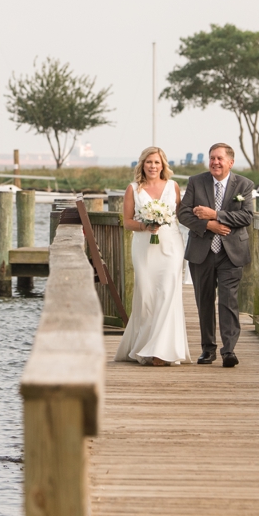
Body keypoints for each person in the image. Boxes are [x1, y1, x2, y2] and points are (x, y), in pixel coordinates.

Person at [176, 142, 255, 367]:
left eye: (220, 158)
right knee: (205, 301)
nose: (215, 162)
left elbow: (247, 216)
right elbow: (183, 214)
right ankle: (207, 349)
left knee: (228, 301)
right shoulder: (196, 182)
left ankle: (229, 350)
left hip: (232, 253)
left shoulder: (244, 185)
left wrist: (216, 214)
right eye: (212, 158)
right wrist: (208, 225)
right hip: (202, 252)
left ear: (230, 162)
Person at [114, 146, 190, 366]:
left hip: (171, 246)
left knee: (168, 293)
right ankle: (144, 346)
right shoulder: (133, 189)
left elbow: (182, 215)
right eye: (149, 162)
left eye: (157, 162)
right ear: (142, 164)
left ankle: (161, 351)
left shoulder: (173, 186)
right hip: (144, 246)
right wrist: (144, 226)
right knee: (147, 296)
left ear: (163, 165)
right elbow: (127, 222)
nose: (153, 166)